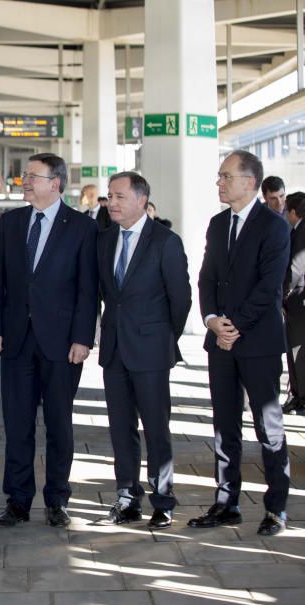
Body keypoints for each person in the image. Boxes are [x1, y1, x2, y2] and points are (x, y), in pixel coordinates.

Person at [0, 152, 98, 528]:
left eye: (33, 176)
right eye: (24, 176)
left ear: (56, 183)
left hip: (62, 343)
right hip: (16, 339)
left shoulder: (81, 227)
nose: (25, 182)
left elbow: (87, 288)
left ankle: (57, 499)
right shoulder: (11, 222)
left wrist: (83, 337)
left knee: (59, 425)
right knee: (17, 424)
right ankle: (17, 501)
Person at [193, 150, 290, 536]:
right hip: (221, 341)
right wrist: (213, 321)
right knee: (224, 426)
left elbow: (269, 287)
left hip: (258, 342)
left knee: (268, 427)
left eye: (225, 176)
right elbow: (206, 279)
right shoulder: (218, 225)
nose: (219, 182)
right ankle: (226, 502)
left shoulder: (274, 226)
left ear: (249, 182)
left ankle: (276, 509)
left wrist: (235, 327)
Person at [92, 172, 191, 530]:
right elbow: (103, 294)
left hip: (151, 350)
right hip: (115, 350)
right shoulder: (103, 241)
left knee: (156, 427)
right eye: (109, 196)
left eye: (119, 196)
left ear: (141, 200)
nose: (112, 203)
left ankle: (163, 500)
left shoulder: (165, 241)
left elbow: (180, 299)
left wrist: (163, 337)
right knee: (120, 428)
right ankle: (127, 496)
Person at [282, 192, 305, 414]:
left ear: (292, 212)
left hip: (299, 303)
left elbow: (295, 269)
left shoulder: (301, 231)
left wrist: (282, 296)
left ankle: (300, 397)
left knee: (297, 352)